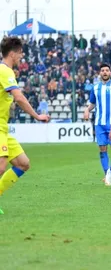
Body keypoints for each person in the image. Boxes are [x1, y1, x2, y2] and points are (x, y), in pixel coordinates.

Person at [0, 37, 50, 214]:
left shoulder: (6, 72)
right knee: (1, 166)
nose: (22, 56)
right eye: (20, 53)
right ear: (12, 53)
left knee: (23, 163)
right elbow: (19, 98)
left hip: (3, 128)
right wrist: (36, 116)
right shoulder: (5, 71)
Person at [84, 63, 111, 180]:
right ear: (100, 73)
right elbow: (92, 104)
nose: (105, 72)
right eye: (103, 70)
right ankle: (107, 174)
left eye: (107, 70)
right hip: (99, 123)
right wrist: (87, 110)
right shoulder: (95, 87)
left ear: (110, 73)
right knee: (102, 149)